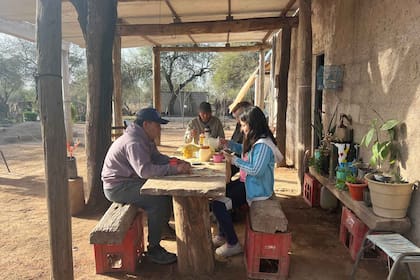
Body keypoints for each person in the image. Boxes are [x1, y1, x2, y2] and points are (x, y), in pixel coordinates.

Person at [101, 107, 192, 265]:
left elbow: (156, 157)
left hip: (128, 181)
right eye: (157, 125)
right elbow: (145, 171)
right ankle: (154, 249)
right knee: (156, 201)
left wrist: (174, 161)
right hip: (117, 187)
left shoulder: (143, 137)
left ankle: (161, 228)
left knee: (164, 193)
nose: (159, 128)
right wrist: (175, 169)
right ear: (146, 124)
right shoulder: (134, 141)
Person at [212, 106, 284, 257]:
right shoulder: (258, 139)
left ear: (254, 124)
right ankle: (222, 234)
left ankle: (233, 243)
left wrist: (234, 160)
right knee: (219, 192)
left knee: (218, 204)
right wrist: (230, 144)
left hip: (257, 189)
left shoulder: (264, 145)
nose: (243, 129)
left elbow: (256, 170)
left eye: (244, 125)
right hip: (248, 183)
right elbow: (245, 152)